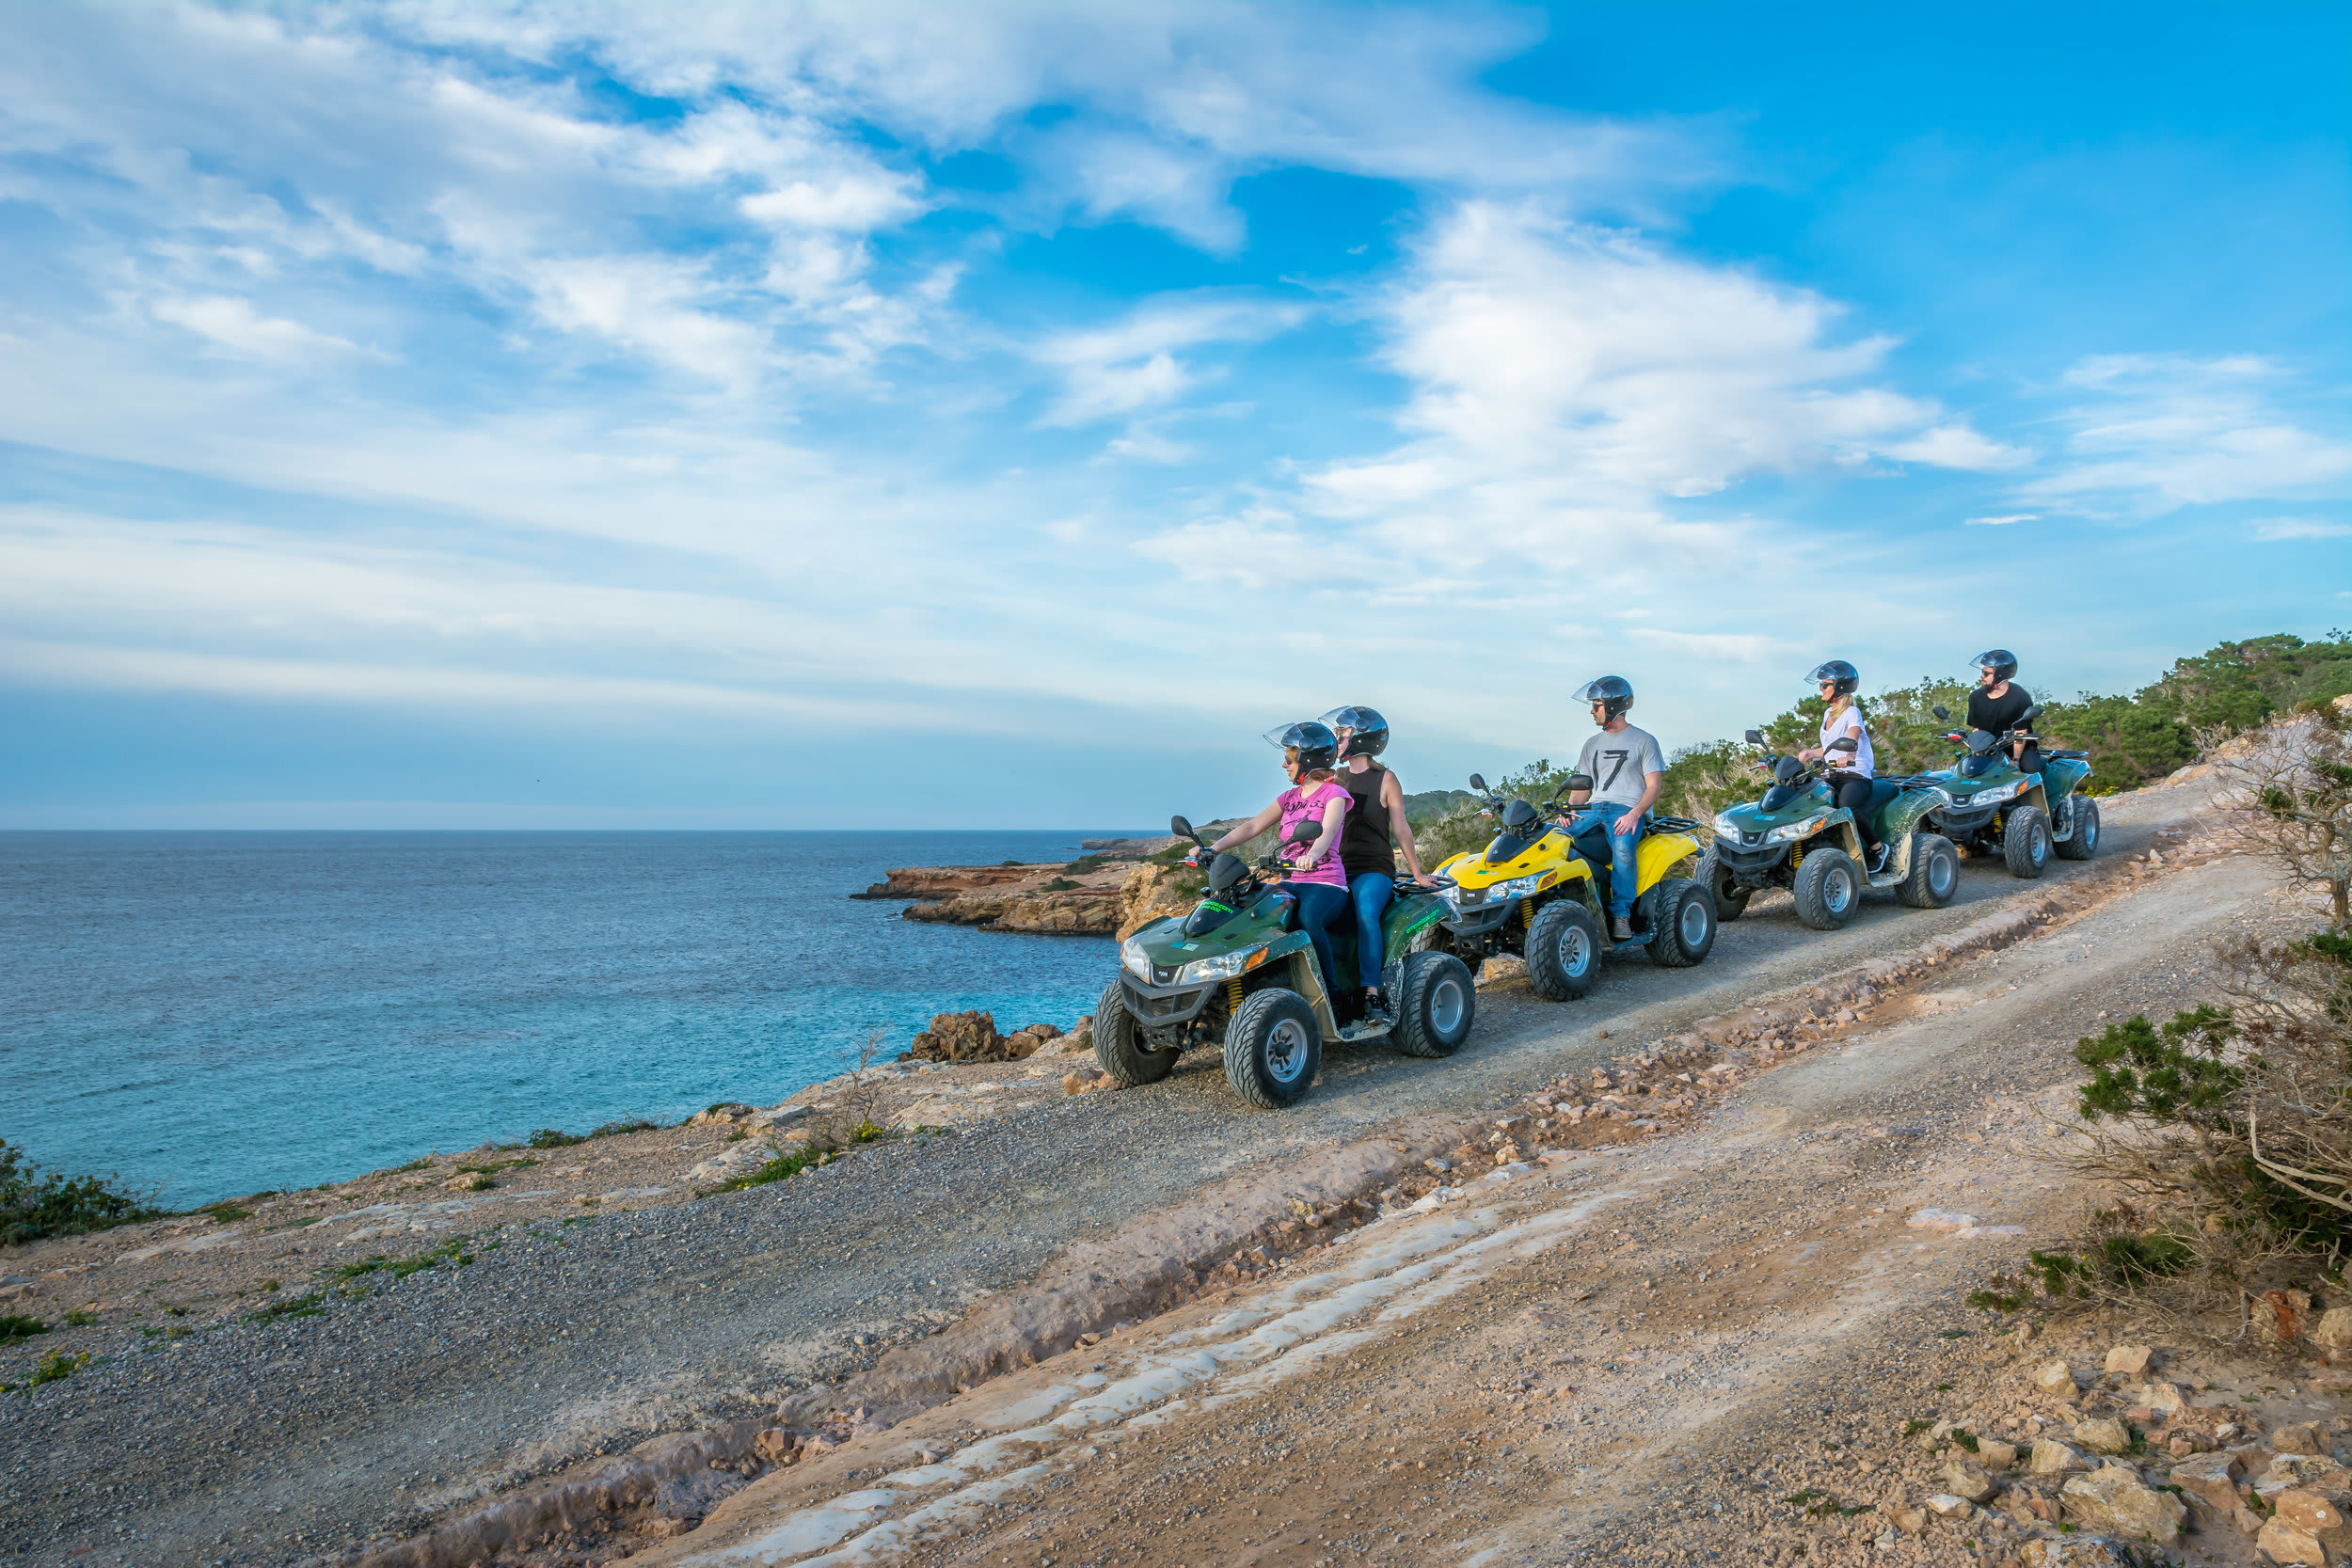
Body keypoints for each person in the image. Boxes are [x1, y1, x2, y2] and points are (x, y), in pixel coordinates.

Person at [1199, 721, 1353, 1006]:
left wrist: (1313, 856)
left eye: (1289, 758)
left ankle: (1331, 995)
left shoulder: (1335, 795)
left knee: (1307, 918)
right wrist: (1213, 848)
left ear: (1307, 759)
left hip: (1325, 881)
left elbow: (1327, 832)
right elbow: (1253, 826)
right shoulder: (1289, 797)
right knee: (1251, 917)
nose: (1284, 765)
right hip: (1288, 880)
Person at [1319, 705, 1436, 1025]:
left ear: (1360, 740)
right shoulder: (1333, 779)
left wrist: (1416, 872)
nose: (1335, 742)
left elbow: (1400, 828)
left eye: (1341, 736)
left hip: (1373, 868)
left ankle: (1371, 994)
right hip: (1336, 869)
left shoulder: (1386, 779)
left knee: (1367, 913)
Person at [1563, 676, 1664, 942]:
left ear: (1613, 707)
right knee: (1554, 839)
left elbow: (1654, 787)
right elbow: (1582, 787)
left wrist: (1635, 814)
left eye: (1596, 705)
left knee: (1623, 850)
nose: (1591, 711)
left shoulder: (1644, 741)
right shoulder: (1591, 744)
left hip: (1627, 808)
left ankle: (1621, 915)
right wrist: (1569, 811)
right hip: (1593, 809)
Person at [1796, 659, 1888, 874]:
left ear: (1839, 687)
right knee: (1808, 798)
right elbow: (1828, 748)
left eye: (1825, 684)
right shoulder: (1828, 714)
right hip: (1832, 773)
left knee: (1847, 806)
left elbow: (1852, 736)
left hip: (1855, 774)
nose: (1821, 688)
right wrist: (1810, 753)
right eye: (1821, 684)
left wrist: (1849, 754)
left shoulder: (1851, 712)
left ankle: (1877, 848)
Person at [1966, 649, 2042, 773]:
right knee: (1967, 771)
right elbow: (1977, 730)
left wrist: (2015, 760)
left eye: (1986, 673)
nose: (1982, 676)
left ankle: (2042, 792)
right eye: (1982, 672)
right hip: (1988, 750)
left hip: (2018, 750)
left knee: (2030, 769)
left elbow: (2020, 732)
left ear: (2000, 675)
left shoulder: (2020, 697)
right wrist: (1977, 753)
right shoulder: (1975, 697)